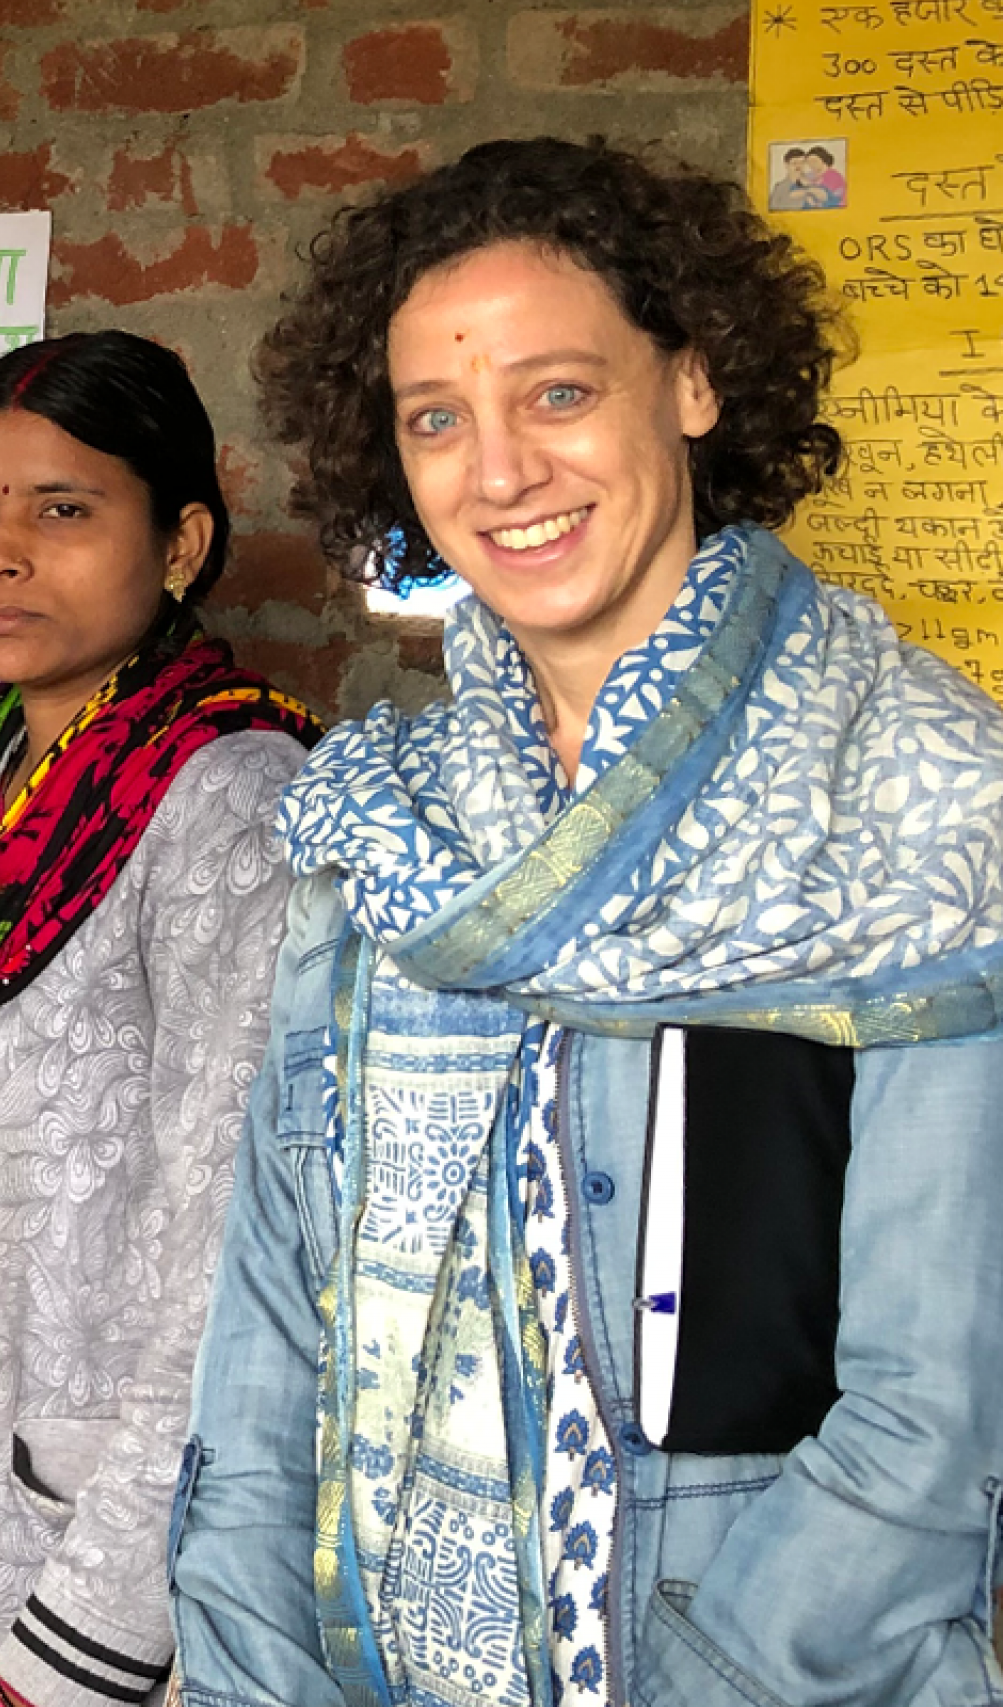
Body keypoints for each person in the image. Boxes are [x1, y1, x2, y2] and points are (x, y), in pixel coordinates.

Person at [171, 137, 1003, 1707]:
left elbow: (933, 1424)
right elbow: (278, 1331)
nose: (500, 472)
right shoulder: (379, 825)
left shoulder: (919, 801)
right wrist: (250, 1670)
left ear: (691, 380)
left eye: (557, 394)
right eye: (438, 419)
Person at [0, 333, 320, 1707]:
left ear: (181, 540)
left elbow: (231, 1243)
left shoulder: (229, 794)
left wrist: (85, 1636)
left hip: (90, 1532)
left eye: (64, 509)